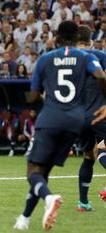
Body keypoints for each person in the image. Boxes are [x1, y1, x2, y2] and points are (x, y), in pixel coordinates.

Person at [13, 21, 105, 230]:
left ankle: (49, 199)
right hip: (75, 120)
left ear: (56, 37)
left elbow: (34, 95)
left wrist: (42, 101)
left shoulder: (45, 59)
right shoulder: (88, 57)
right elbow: (101, 77)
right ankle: (24, 219)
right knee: (45, 172)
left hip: (52, 118)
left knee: (34, 172)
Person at [73, 25, 106, 211]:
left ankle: (83, 203)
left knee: (89, 156)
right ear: (90, 40)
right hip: (99, 113)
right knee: (101, 150)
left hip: (77, 117)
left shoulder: (65, 60)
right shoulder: (100, 56)